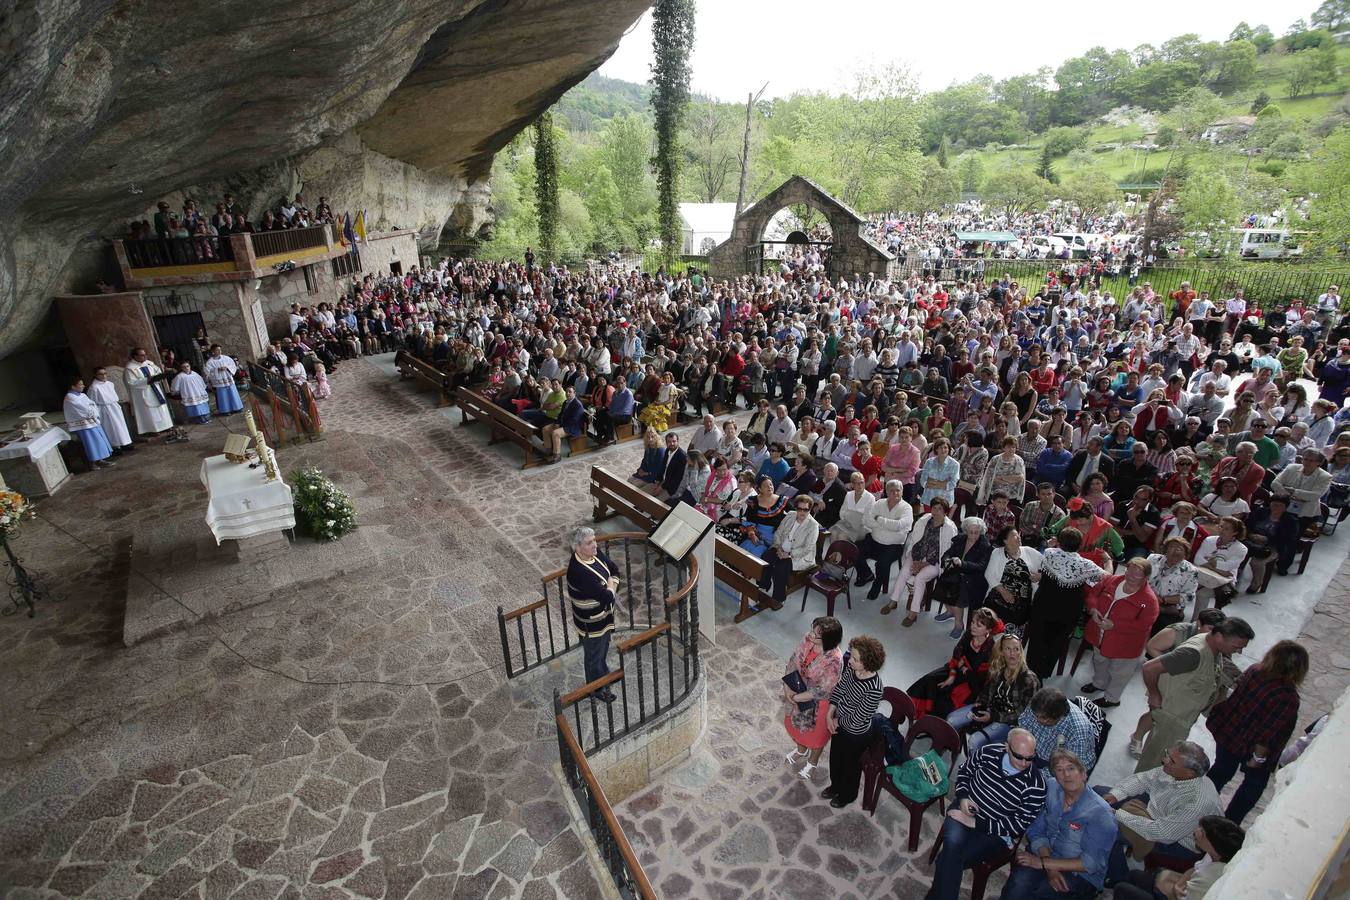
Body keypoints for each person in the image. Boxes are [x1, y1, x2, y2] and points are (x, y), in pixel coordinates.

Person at [924, 729, 1047, 900]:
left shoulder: (1036, 785)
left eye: (1030, 758)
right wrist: (964, 798)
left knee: (948, 858)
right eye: (1019, 756)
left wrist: (975, 823)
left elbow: (1018, 825)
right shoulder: (988, 752)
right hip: (965, 808)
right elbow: (964, 772)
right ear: (1006, 747)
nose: (1025, 763)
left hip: (995, 834)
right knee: (952, 846)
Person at [1205, 640, 1307, 824]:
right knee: (1253, 785)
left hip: (1230, 733)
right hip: (1252, 746)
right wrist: (1258, 758)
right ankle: (1228, 823)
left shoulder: (1255, 670)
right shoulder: (1287, 697)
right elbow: (1267, 734)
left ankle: (1199, 806)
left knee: (1220, 771)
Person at [1134, 617, 1255, 770]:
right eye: (1236, 646)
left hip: (1182, 714)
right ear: (1219, 636)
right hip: (1172, 717)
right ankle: (1137, 792)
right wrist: (1154, 695)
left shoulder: (1214, 649)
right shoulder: (1194, 653)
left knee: (1157, 756)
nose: (1239, 651)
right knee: (1155, 763)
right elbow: (1149, 668)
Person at [1097, 741, 1223, 885]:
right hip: (1159, 813)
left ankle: (1118, 877)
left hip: (1176, 842)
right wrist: (1116, 794)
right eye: (1167, 754)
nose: (1165, 760)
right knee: (1100, 793)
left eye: (1171, 760)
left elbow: (1160, 833)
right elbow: (1143, 779)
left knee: (1108, 830)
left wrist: (1117, 814)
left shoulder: (1198, 803)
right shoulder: (1176, 771)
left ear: (1189, 772)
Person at [1002, 750, 1116, 899]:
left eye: (1071, 768)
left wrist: (1043, 864)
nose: (1066, 775)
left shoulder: (1101, 814)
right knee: (1018, 883)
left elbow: (1090, 863)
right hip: (1045, 853)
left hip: (1080, 873)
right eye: (1059, 770)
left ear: (1084, 774)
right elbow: (1036, 829)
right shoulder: (1051, 788)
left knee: (1040, 894)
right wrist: (1047, 864)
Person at [948, 626, 1040, 759]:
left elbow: (1023, 715)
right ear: (1002, 652)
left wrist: (993, 717)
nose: (1012, 654)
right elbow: (987, 691)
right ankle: (953, 749)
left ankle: (977, 769)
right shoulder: (998, 668)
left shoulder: (1029, 680)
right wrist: (980, 704)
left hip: (1007, 722)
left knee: (975, 741)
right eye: (1008, 649)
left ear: (1021, 651)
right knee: (951, 720)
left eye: (1016, 649)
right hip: (990, 710)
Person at [1025, 529, 1106, 679]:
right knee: (1057, 642)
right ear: (1079, 545)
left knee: (1037, 638)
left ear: (1060, 542)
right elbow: (1106, 577)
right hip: (1068, 612)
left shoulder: (1050, 553)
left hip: (1043, 606)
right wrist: (1108, 561)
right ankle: (1044, 673)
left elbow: (1045, 560)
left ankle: (1030, 671)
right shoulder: (1086, 565)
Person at [1080, 558, 1159, 709]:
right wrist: (1093, 609)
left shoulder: (1149, 600)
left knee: (1120, 672)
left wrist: (1115, 625)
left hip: (1125, 645)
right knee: (1099, 660)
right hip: (1100, 634)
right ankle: (1099, 683)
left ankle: (1112, 698)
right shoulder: (1112, 580)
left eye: (1137, 575)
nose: (1130, 576)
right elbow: (1093, 594)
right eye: (1129, 570)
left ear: (1145, 578)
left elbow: (1144, 624)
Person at [1110, 815, 1246, 900]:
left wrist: (1175, 890)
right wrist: (1179, 885)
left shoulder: (1208, 878)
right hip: (1177, 889)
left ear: (1212, 842)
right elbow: (1193, 869)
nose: (1196, 832)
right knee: (1134, 875)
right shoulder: (1213, 855)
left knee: (1122, 888)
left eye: (1201, 832)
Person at [820, 635, 886, 809]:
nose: (850, 662)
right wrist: (830, 712)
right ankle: (835, 786)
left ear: (868, 663)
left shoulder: (874, 688)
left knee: (850, 766)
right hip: (839, 721)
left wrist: (836, 721)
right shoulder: (852, 669)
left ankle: (847, 794)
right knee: (835, 758)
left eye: (855, 659)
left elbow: (859, 717)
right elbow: (840, 688)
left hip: (856, 732)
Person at [910, 607, 1002, 718]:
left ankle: (931, 723)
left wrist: (963, 667)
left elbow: (979, 677)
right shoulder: (968, 634)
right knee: (930, 679)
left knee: (946, 697)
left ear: (988, 630)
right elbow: (957, 654)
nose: (972, 626)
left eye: (978, 625)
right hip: (957, 669)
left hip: (972, 683)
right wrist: (952, 675)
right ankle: (912, 711)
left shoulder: (990, 649)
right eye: (972, 622)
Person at [783, 616, 845, 781]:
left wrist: (797, 697)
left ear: (827, 639)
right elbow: (793, 660)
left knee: (816, 736)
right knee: (796, 727)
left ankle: (813, 761)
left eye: (815, 633)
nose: (810, 634)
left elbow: (822, 690)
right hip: (798, 689)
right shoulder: (808, 639)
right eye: (812, 628)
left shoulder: (834, 659)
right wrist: (787, 687)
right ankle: (801, 750)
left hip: (820, 703)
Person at [565, 526, 621, 703]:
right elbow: (605, 596)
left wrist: (610, 585)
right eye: (590, 543)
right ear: (577, 547)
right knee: (594, 656)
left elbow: (615, 570)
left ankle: (602, 675)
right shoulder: (579, 571)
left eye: (595, 540)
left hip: (603, 619)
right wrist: (611, 586)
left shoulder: (593, 554)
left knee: (601, 650)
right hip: (592, 624)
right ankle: (597, 689)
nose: (596, 545)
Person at [889, 497, 957, 621]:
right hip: (917, 556)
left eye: (940, 509)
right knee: (904, 572)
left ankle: (913, 612)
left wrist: (924, 563)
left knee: (920, 578)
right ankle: (893, 601)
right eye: (934, 508)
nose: (936, 512)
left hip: (936, 562)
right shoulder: (924, 520)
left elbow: (945, 552)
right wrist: (916, 560)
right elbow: (915, 541)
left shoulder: (950, 528)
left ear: (945, 512)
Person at [853, 479, 914, 600]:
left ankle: (877, 586)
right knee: (854, 549)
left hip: (893, 546)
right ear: (886, 492)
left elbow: (899, 526)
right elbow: (866, 520)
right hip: (874, 540)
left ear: (902, 491)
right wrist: (888, 526)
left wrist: (879, 520)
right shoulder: (879, 503)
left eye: (898, 490)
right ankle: (866, 574)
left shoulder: (907, 508)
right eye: (892, 491)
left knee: (882, 564)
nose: (895, 493)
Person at [933, 517, 993, 638]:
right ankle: (950, 612)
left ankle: (959, 625)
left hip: (973, 578)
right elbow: (948, 553)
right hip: (957, 572)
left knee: (957, 593)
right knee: (942, 584)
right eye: (971, 532)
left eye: (977, 532)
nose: (973, 535)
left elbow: (981, 566)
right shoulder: (961, 539)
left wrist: (962, 563)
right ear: (966, 531)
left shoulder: (984, 545)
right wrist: (946, 560)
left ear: (981, 532)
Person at [758, 496, 820, 609]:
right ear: (796, 508)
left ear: (809, 510)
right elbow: (778, 532)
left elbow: (807, 548)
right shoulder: (791, 515)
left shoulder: (813, 525)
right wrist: (778, 547)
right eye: (799, 508)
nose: (801, 512)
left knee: (781, 567)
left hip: (799, 556)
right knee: (766, 557)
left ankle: (779, 599)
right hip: (781, 548)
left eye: (805, 509)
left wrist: (789, 554)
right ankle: (764, 585)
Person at [1017, 687, 1099, 773]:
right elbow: (1023, 724)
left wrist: (1035, 774)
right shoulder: (1038, 705)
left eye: (1043, 718)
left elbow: (1073, 768)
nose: (1037, 719)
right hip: (1034, 749)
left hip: (1056, 763)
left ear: (1059, 716)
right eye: (1036, 715)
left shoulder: (1078, 733)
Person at [983, 525, 1044, 626]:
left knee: (1012, 630)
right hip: (999, 597)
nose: (1019, 537)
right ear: (1005, 540)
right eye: (1015, 535)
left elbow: (1048, 565)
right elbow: (989, 574)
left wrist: (1040, 576)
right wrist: (1004, 592)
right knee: (991, 625)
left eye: (1018, 534)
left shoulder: (1029, 551)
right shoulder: (997, 553)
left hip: (1022, 603)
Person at [1146, 538, 1200, 633]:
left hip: (1168, 607)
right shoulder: (1153, 559)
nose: (1176, 550)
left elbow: (1189, 596)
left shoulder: (1191, 571)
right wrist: (1152, 596)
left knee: (1159, 629)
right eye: (1172, 547)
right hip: (1147, 598)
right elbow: (1142, 579)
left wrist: (1163, 599)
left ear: (1185, 554)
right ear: (1165, 550)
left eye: (1180, 548)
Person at [62, 377, 116, 469]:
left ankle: (100, 460)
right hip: (83, 426)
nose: (83, 386)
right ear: (73, 387)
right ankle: (91, 463)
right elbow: (84, 409)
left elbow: (92, 404)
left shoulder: (82, 395)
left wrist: (92, 408)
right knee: (89, 444)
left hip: (92, 422)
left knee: (98, 441)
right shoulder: (70, 397)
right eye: (80, 384)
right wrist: (91, 408)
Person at [123, 347, 173, 435]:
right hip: (143, 392)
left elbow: (157, 371)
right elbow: (131, 382)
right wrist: (146, 380)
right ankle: (152, 430)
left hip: (155, 389)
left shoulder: (149, 363)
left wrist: (159, 376)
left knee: (161, 408)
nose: (145, 356)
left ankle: (166, 426)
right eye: (142, 355)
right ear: (135, 356)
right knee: (150, 411)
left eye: (145, 354)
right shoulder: (130, 368)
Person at [86, 368, 133, 453]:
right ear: (95, 375)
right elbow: (92, 402)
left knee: (121, 426)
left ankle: (125, 443)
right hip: (105, 409)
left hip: (114, 406)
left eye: (105, 373)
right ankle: (116, 446)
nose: (104, 376)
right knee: (111, 428)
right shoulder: (94, 387)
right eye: (101, 374)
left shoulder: (110, 384)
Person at [202, 345, 244, 415]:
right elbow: (207, 372)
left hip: (228, 379)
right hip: (219, 382)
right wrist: (217, 369)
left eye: (220, 350)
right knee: (223, 397)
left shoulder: (226, 358)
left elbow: (233, 365)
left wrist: (227, 368)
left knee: (233, 394)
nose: (219, 351)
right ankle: (226, 411)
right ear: (213, 351)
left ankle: (237, 408)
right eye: (217, 350)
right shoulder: (210, 362)